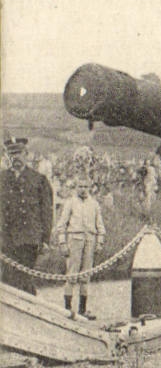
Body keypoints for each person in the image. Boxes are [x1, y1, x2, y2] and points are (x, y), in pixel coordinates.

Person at [0, 136, 54, 294]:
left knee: (24, 279)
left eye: (19, 153)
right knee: (6, 280)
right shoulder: (1, 179)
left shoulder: (39, 180)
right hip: (5, 239)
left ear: (26, 154)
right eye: (12, 154)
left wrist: (45, 239)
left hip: (28, 238)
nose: (16, 157)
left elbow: (46, 212)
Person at [53, 160, 106, 319]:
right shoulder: (70, 203)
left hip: (89, 240)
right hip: (74, 240)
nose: (83, 189)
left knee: (86, 275)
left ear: (90, 187)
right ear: (76, 187)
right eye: (80, 186)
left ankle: (83, 309)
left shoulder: (94, 204)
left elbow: (100, 226)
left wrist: (99, 242)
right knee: (71, 275)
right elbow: (61, 225)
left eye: (86, 186)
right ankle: (68, 309)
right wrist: (62, 243)